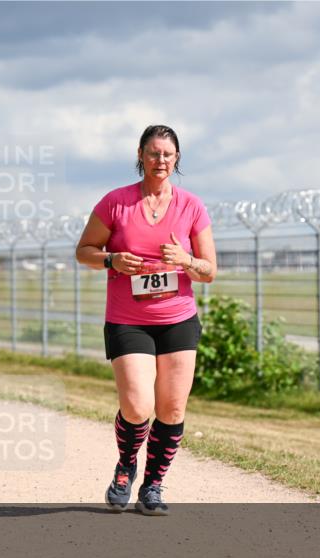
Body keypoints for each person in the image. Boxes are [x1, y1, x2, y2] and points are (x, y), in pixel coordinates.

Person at [75, 125, 217, 515]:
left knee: (171, 410)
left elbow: (209, 271)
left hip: (178, 319)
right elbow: (83, 251)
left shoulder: (191, 206)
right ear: (140, 155)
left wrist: (185, 260)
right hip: (128, 319)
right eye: (153, 153)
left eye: (168, 154)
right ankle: (126, 465)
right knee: (138, 407)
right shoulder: (116, 203)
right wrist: (111, 259)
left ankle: (153, 484)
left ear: (177, 159)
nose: (160, 160)